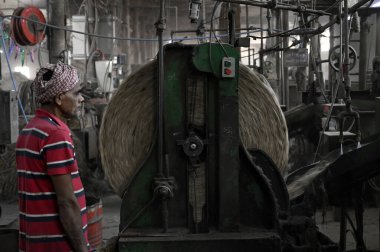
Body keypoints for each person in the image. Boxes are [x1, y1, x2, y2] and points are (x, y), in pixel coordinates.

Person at [16, 62, 90, 251]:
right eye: (76, 93)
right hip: (57, 243)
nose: (80, 99)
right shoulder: (55, 134)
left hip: (35, 240)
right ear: (59, 98)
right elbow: (66, 202)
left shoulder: (30, 129)